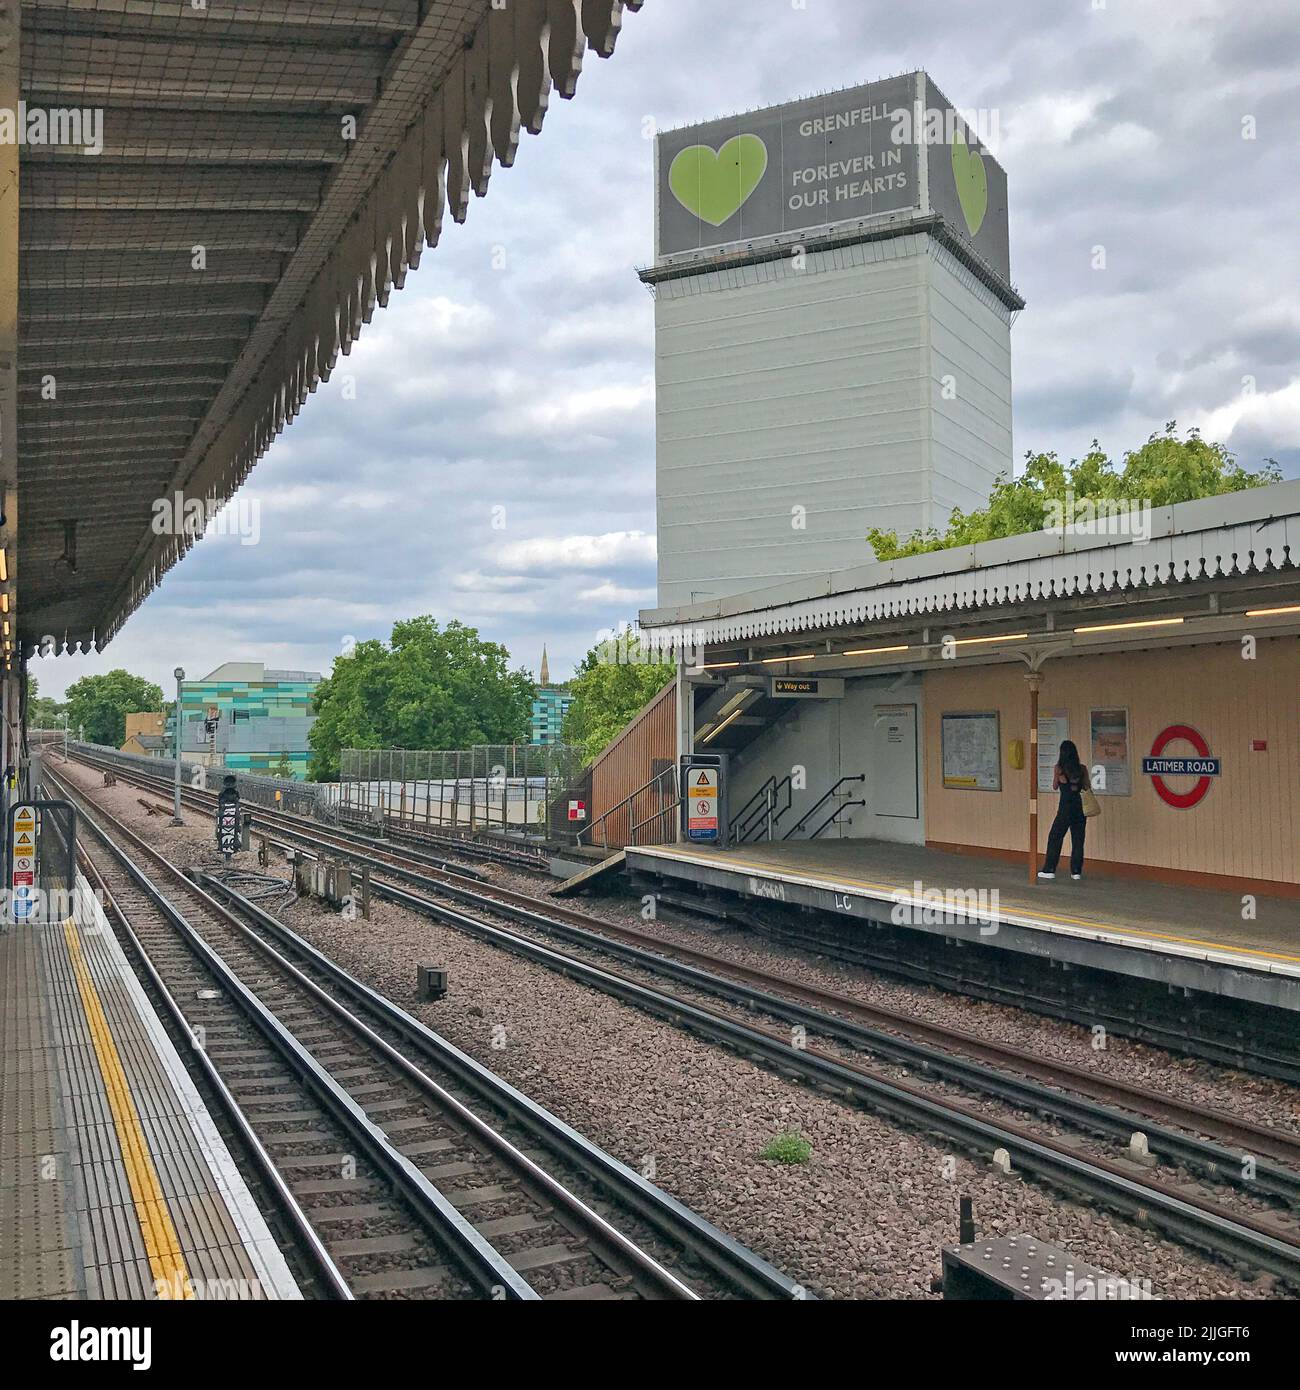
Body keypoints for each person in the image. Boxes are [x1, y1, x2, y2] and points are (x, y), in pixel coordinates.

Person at [1038, 739, 1089, 881]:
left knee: (1055, 836)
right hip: (1080, 809)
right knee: (1078, 839)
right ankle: (1076, 871)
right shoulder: (1082, 769)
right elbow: (1087, 787)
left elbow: (1055, 786)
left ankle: (1050, 869)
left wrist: (1060, 780)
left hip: (1065, 808)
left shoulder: (1059, 768)